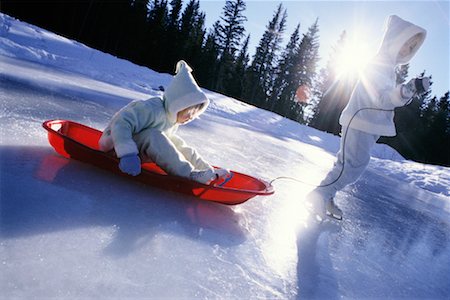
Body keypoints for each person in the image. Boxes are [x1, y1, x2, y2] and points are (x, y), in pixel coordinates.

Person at [307, 15, 430, 220]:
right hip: (359, 121)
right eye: (405, 44)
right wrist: (406, 90)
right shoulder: (379, 65)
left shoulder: (389, 69)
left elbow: (390, 98)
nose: (406, 50)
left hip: (368, 125)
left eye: (411, 48)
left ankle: (326, 194)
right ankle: (319, 194)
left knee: (351, 165)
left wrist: (408, 92)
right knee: (351, 166)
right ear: (394, 39)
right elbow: (381, 98)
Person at [99, 60, 230, 184]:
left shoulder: (170, 119)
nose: (191, 118)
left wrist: (210, 171)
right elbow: (121, 123)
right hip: (116, 147)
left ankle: (204, 171)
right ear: (178, 104)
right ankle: (189, 175)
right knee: (154, 136)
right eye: (189, 113)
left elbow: (175, 146)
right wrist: (127, 153)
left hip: (136, 150)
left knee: (177, 144)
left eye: (194, 115)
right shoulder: (151, 109)